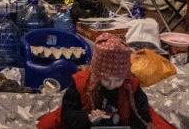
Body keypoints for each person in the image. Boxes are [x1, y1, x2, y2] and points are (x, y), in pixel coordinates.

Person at [37, 34, 173, 129]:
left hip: (121, 123)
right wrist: (88, 117)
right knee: (46, 124)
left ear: (125, 76)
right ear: (96, 75)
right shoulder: (81, 84)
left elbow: (142, 115)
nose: (112, 85)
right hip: (87, 124)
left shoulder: (131, 86)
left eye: (117, 80)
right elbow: (68, 114)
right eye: (106, 80)